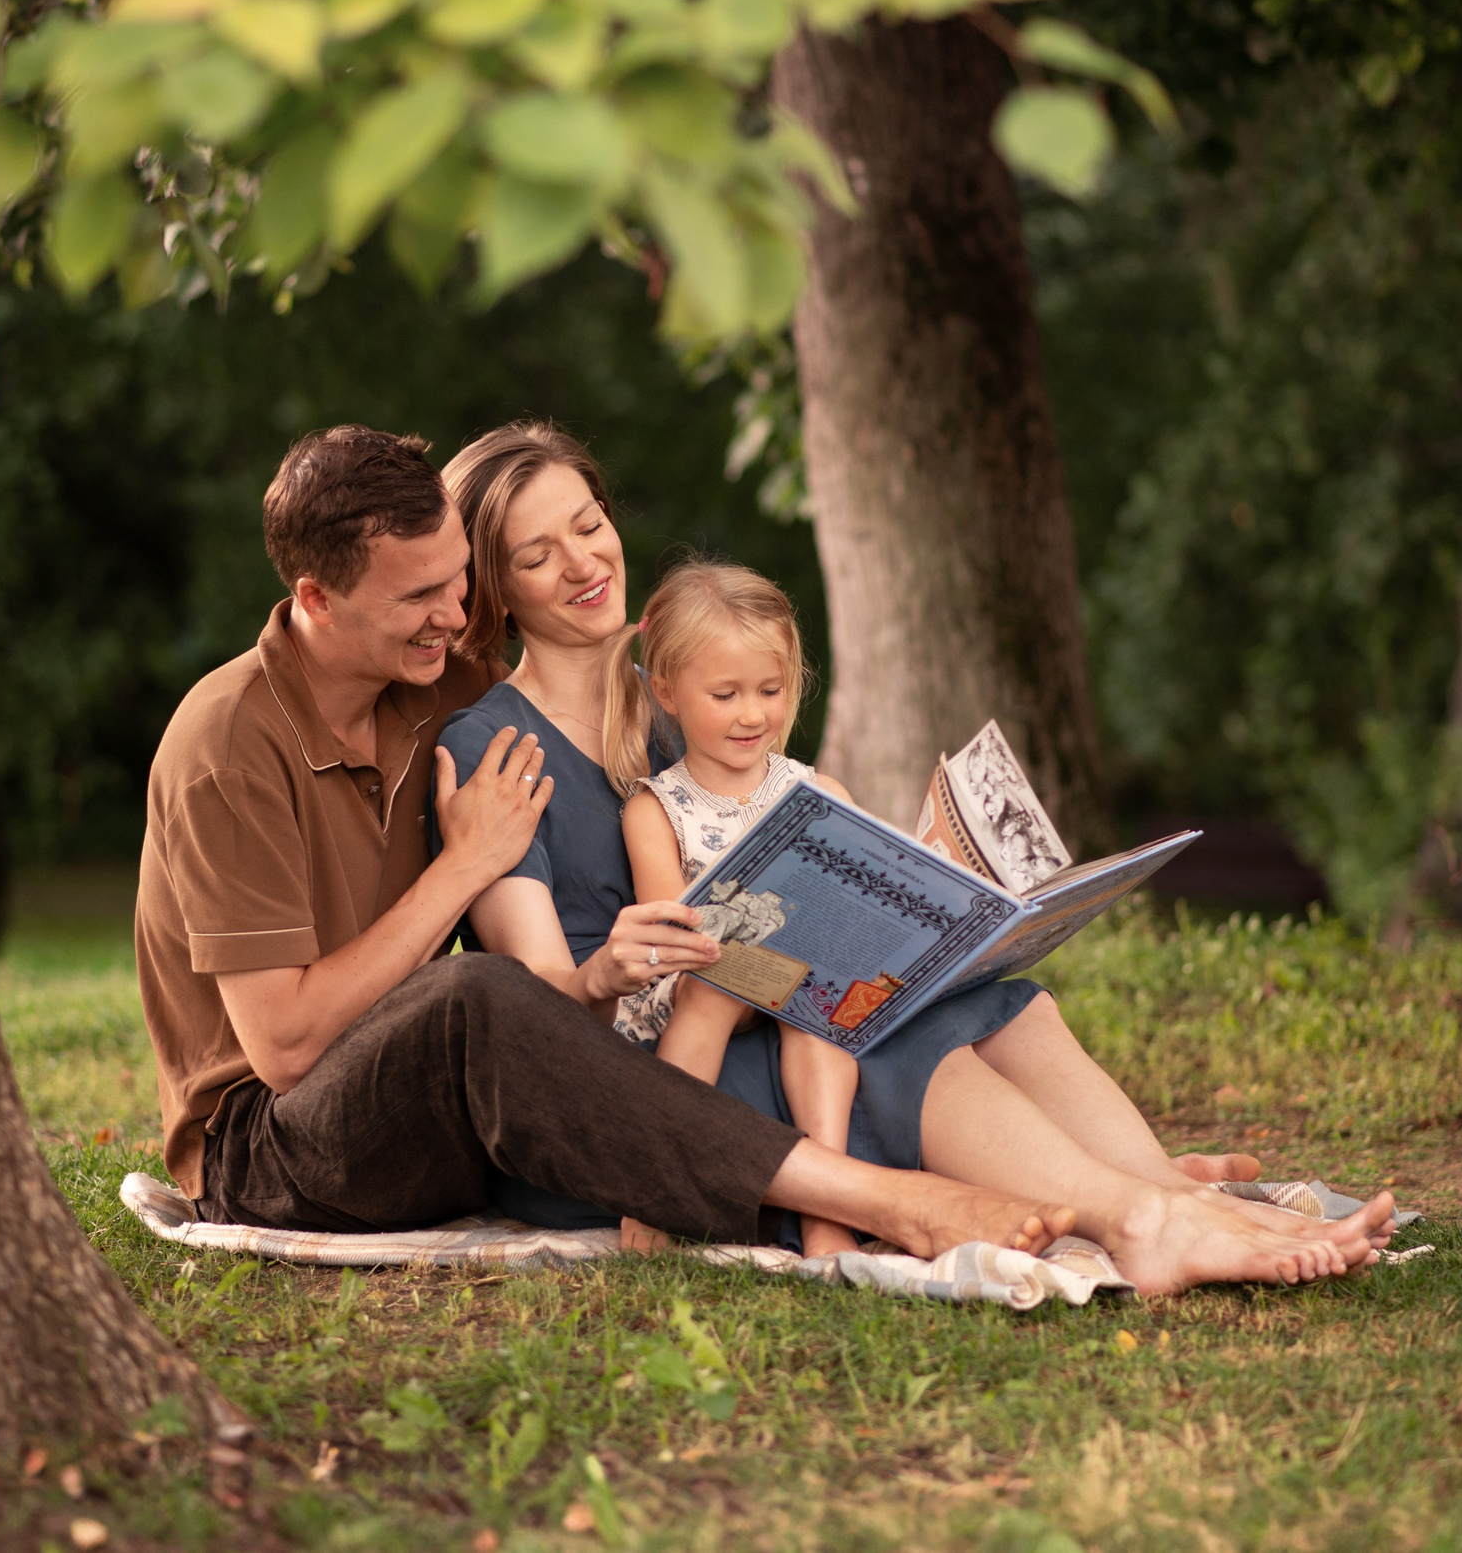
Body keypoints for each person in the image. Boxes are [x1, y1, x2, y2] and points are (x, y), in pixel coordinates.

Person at [435, 420, 1395, 1295]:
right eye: (536, 553)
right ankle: (1144, 1223)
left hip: (757, 1009)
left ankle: (1169, 1197)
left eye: (589, 523)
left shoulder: (691, 700)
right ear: (497, 590)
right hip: (647, 1076)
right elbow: (530, 1028)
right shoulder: (495, 748)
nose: (583, 561)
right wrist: (609, 965)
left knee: (978, 997)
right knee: (874, 1031)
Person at [133, 423, 1086, 1264]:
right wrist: (466, 866)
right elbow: (289, 1050)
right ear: (317, 595)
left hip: (449, 1095)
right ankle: (888, 1203)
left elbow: (592, 679)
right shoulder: (229, 747)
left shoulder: (432, 686)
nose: (458, 619)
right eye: (422, 596)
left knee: (905, 1000)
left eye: (461, 584)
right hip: (273, 1143)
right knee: (483, 995)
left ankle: (1116, 1187)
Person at [604, 560, 866, 1258]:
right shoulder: (656, 807)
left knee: (816, 1006)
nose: (753, 713)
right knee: (718, 990)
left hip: (798, 977)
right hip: (699, 980)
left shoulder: (820, 790)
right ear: (668, 692)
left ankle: (827, 1212)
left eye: (770, 689)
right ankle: (656, 1185)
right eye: (725, 693)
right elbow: (673, 933)